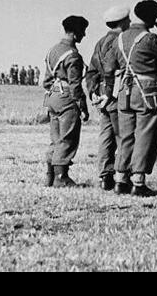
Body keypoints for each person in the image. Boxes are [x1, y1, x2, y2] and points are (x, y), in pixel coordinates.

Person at [114, 0, 157, 197]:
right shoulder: (148, 38)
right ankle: (139, 181)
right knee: (145, 135)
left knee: (126, 136)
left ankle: (120, 179)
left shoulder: (121, 38)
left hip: (124, 90)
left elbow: (113, 63)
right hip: (146, 90)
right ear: (154, 18)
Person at [83, 3, 130, 191]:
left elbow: (92, 70)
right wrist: (109, 92)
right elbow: (112, 69)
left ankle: (104, 176)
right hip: (116, 93)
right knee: (122, 136)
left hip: (102, 94)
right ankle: (121, 177)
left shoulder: (100, 42)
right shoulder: (122, 41)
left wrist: (95, 92)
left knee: (105, 137)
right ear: (123, 21)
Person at [42, 15, 90, 187]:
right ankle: (61, 177)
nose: (84, 35)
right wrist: (82, 105)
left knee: (55, 138)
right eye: (83, 31)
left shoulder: (52, 51)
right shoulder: (73, 55)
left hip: (52, 96)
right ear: (76, 32)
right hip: (67, 97)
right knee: (68, 137)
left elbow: (46, 81)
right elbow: (76, 85)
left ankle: (50, 175)